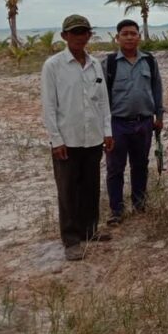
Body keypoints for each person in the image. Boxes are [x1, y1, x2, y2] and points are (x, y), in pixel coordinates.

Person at [41, 14, 114, 261]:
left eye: (84, 32)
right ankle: (71, 239)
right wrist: (56, 139)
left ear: (89, 35)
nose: (80, 37)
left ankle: (89, 230)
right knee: (68, 190)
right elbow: (49, 106)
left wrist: (107, 131)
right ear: (65, 36)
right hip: (67, 140)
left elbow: (103, 101)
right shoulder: (53, 66)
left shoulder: (95, 64)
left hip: (92, 137)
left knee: (91, 187)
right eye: (75, 32)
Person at [103, 19, 164, 226]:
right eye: (125, 34)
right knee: (115, 168)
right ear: (117, 37)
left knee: (140, 165)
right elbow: (102, 96)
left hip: (144, 123)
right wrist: (104, 127)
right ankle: (116, 210)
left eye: (133, 33)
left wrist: (159, 116)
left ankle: (139, 204)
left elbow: (157, 89)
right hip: (117, 124)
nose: (129, 37)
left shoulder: (149, 61)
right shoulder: (109, 63)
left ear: (139, 36)